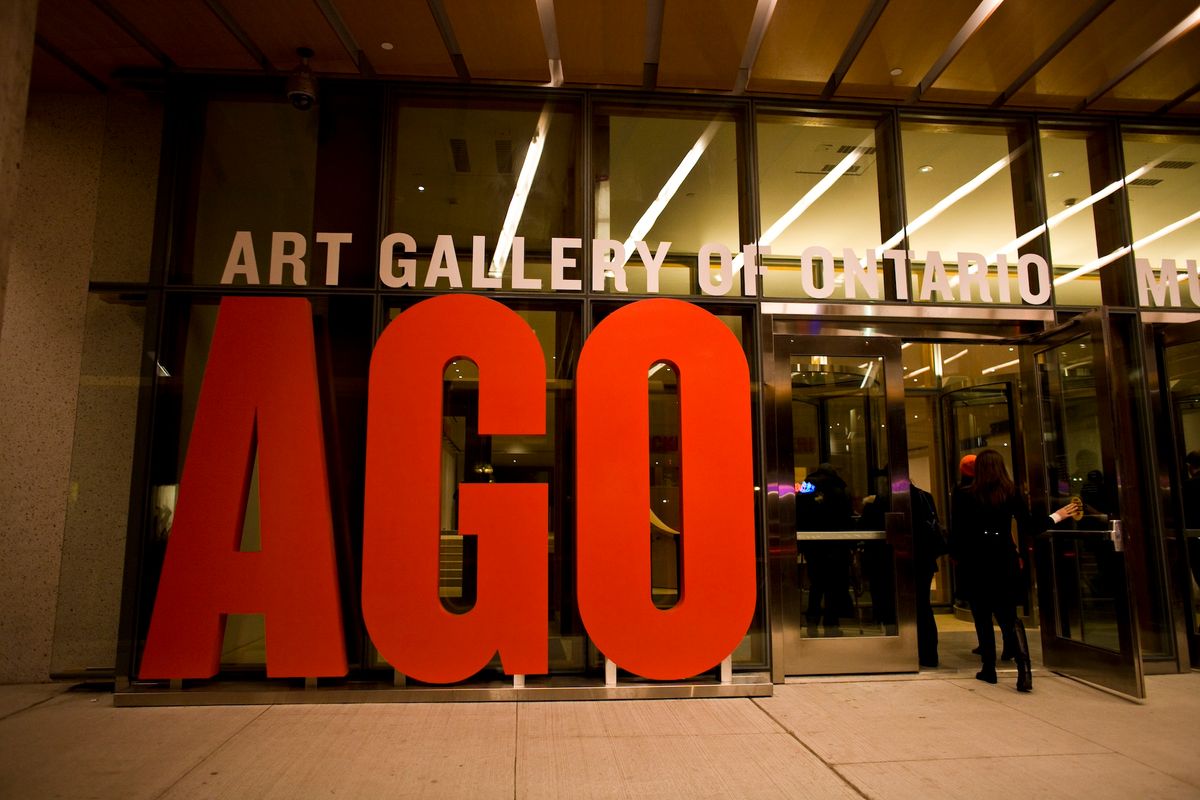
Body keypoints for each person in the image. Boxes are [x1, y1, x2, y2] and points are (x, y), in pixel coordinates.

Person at [950, 449, 1079, 692]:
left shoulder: (965, 495)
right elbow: (1030, 526)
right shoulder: (1010, 492)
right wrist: (1057, 516)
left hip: (976, 560)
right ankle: (1024, 670)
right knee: (1009, 617)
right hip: (1004, 557)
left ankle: (989, 669)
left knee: (982, 616)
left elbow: (957, 533)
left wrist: (957, 558)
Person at [796, 464, 854, 637]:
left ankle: (812, 623)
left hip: (813, 545)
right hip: (836, 545)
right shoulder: (838, 488)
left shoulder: (808, 487)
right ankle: (831, 625)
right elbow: (846, 518)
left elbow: (800, 512)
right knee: (833, 586)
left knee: (816, 584)